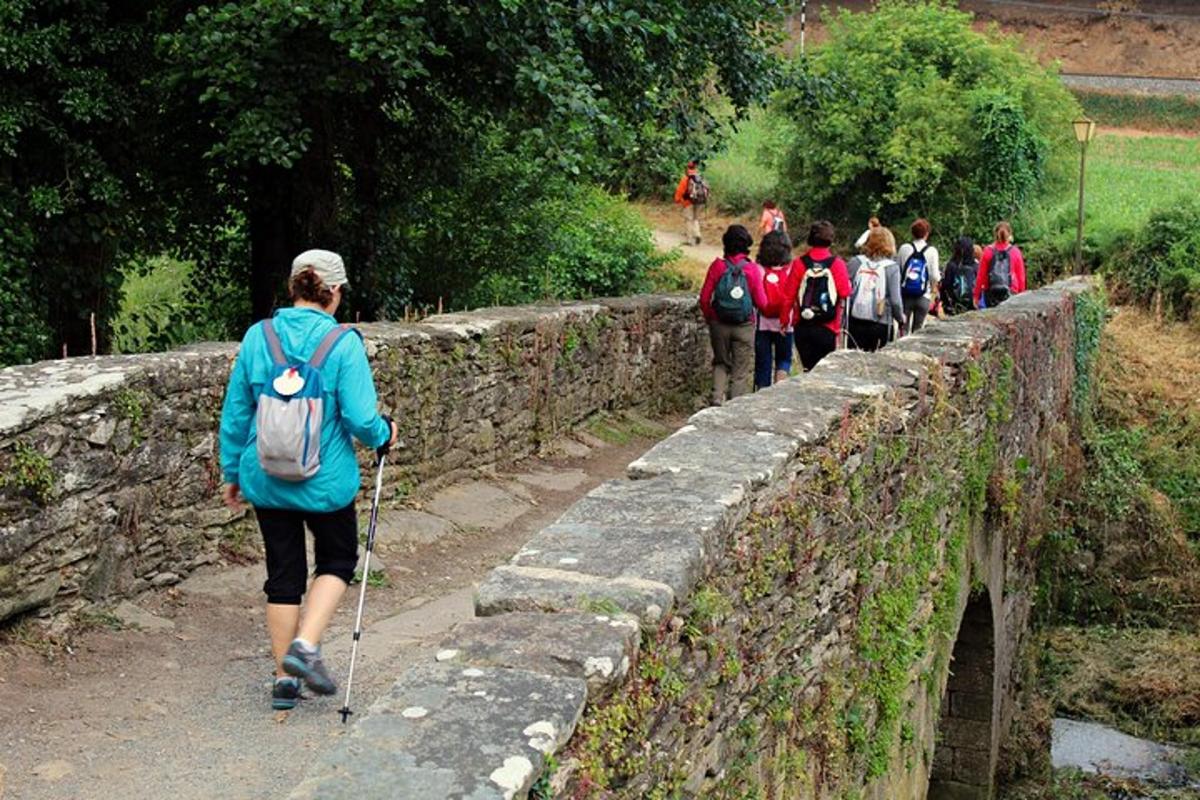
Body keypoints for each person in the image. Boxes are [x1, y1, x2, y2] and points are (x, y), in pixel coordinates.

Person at [219, 249, 399, 712]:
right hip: (326, 483)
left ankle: (284, 681)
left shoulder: (259, 337)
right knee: (337, 560)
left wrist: (232, 472)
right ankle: (305, 647)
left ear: (293, 287)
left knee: (283, 575)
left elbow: (238, 410)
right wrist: (385, 433)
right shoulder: (343, 343)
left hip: (267, 478)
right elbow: (362, 419)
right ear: (335, 291)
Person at [699, 225, 769, 404]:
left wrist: (711, 318)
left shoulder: (717, 266)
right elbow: (762, 303)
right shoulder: (752, 269)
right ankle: (734, 405)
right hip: (744, 326)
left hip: (719, 324)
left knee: (721, 363)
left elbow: (705, 298)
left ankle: (716, 398)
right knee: (740, 371)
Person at [774, 220, 852, 371]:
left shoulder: (799, 263)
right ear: (831, 239)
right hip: (828, 326)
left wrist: (784, 321)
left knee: (808, 369)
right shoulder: (837, 264)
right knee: (823, 372)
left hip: (803, 326)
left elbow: (788, 296)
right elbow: (845, 292)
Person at [846, 226, 904, 352]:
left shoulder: (855, 262)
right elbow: (895, 301)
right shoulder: (892, 268)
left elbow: (846, 292)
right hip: (881, 323)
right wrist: (900, 318)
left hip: (855, 321)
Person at [754, 230, 795, 388]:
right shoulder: (791, 270)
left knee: (763, 363)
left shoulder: (758, 269)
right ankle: (780, 392)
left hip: (763, 324)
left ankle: (762, 395)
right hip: (786, 324)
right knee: (784, 360)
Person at [896, 218, 940, 333]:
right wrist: (933, 294)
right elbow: (935, 276)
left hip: (905, 295)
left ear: (912, 232)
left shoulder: (904, 248)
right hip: (923, 295)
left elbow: (898, 270)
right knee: (918, 330)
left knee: (903, 328)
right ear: (927, 233)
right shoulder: (932, 251)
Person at [973, 221, 1026, 309]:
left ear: (995, 234)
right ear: (1009, 235)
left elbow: (980, 277)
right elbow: (1021, 278)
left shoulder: (987, 251)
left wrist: (976, 296)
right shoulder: (1015, 252)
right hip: (1011, 291)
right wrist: (1022, 296)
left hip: (991, 292)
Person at [940, 236, 979, 316]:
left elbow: (946, 286)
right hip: (973, 306)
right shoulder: (976, 266)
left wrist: (946, 304)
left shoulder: (951, 265)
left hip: (954, 306)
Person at [673, 160, 709, 245]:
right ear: (695, 168)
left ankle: (689, 240)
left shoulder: (686, 178)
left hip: (688, 202)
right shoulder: (700, 178)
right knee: (695, 219)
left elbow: (680, 191)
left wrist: (677, 200)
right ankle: (697, 234)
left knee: (689, 220)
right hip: (699, 202)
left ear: (687, 168)